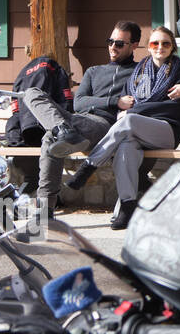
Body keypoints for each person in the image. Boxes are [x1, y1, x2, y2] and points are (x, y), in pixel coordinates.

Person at [69, 26, 180, 230]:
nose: (160, 47)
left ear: (173, 47)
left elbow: (169, 108)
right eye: (155, 43)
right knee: (125, 147)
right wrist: (131, 111)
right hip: (139, 131)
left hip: (167, 130)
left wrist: (136, 111)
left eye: (166, 43)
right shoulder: (137, 74)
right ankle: (127, 206)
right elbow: (129, 103)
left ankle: (90, 165)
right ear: (148, 47)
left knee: (128, 121)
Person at [17, 21, 156, 210]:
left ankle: (44, 209)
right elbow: (79, 102)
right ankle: (62, 129)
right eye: (110, 41)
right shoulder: (93, 71)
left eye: (119, 43)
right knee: (30, 93)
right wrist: (115, 101)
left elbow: (170, 74)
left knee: (50, 137)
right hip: (78, 120)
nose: (113, 47)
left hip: (105, 126)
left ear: (134, 46)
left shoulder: (139, 71)